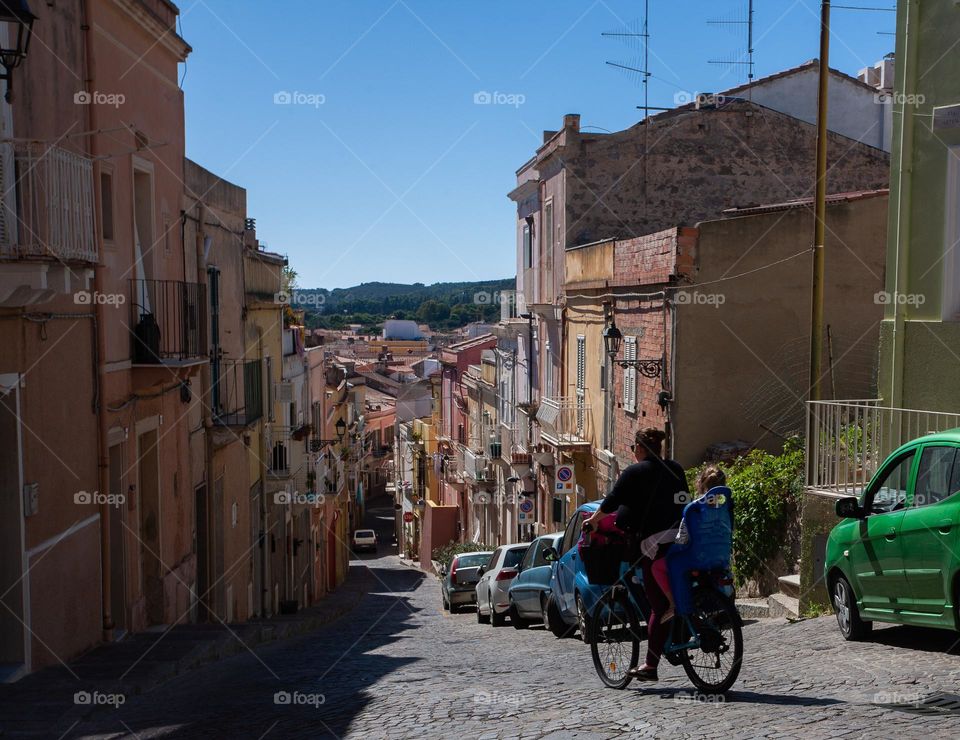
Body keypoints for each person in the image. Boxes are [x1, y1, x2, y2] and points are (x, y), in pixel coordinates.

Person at [582, 427, 688, 682]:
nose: (633, 452)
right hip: (679, 538)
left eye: (633, 448)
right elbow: (684, 499)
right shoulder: (675, 469)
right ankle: (676, 633)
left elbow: (612, 501)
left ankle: (650, 665)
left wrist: (594, 521)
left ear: (640, 449)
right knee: (671, 591)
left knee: (657, 605)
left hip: (652, 544)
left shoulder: (634, 472)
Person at [667, 465, 734, 616]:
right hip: (721, 557)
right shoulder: (726, 507)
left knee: (672, 561)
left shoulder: (693, 509)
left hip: (698, 557)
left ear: (701, 484)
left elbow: (683, 539)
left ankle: (682, 609)